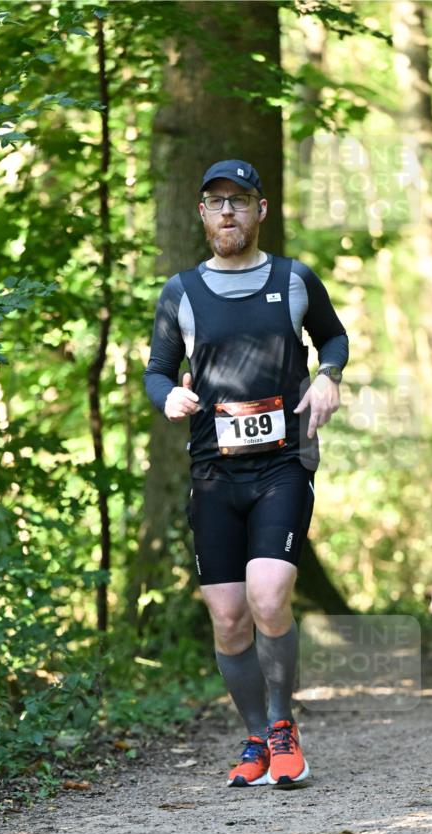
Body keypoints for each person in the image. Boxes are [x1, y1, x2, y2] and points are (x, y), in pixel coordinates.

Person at [144, 159, 348, 788]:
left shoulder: (293, 279)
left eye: (238, 200)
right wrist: (167, 398)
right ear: (202, 214)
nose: (226, 211)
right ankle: (256, 738)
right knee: (229, 618)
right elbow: (157, 368)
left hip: (283, 466)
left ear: (261, 210)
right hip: (212, 474)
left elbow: (334, 340)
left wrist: (327, 379)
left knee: (267, 597)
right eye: (214, 202)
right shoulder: (181, 292)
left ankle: (285, 729)